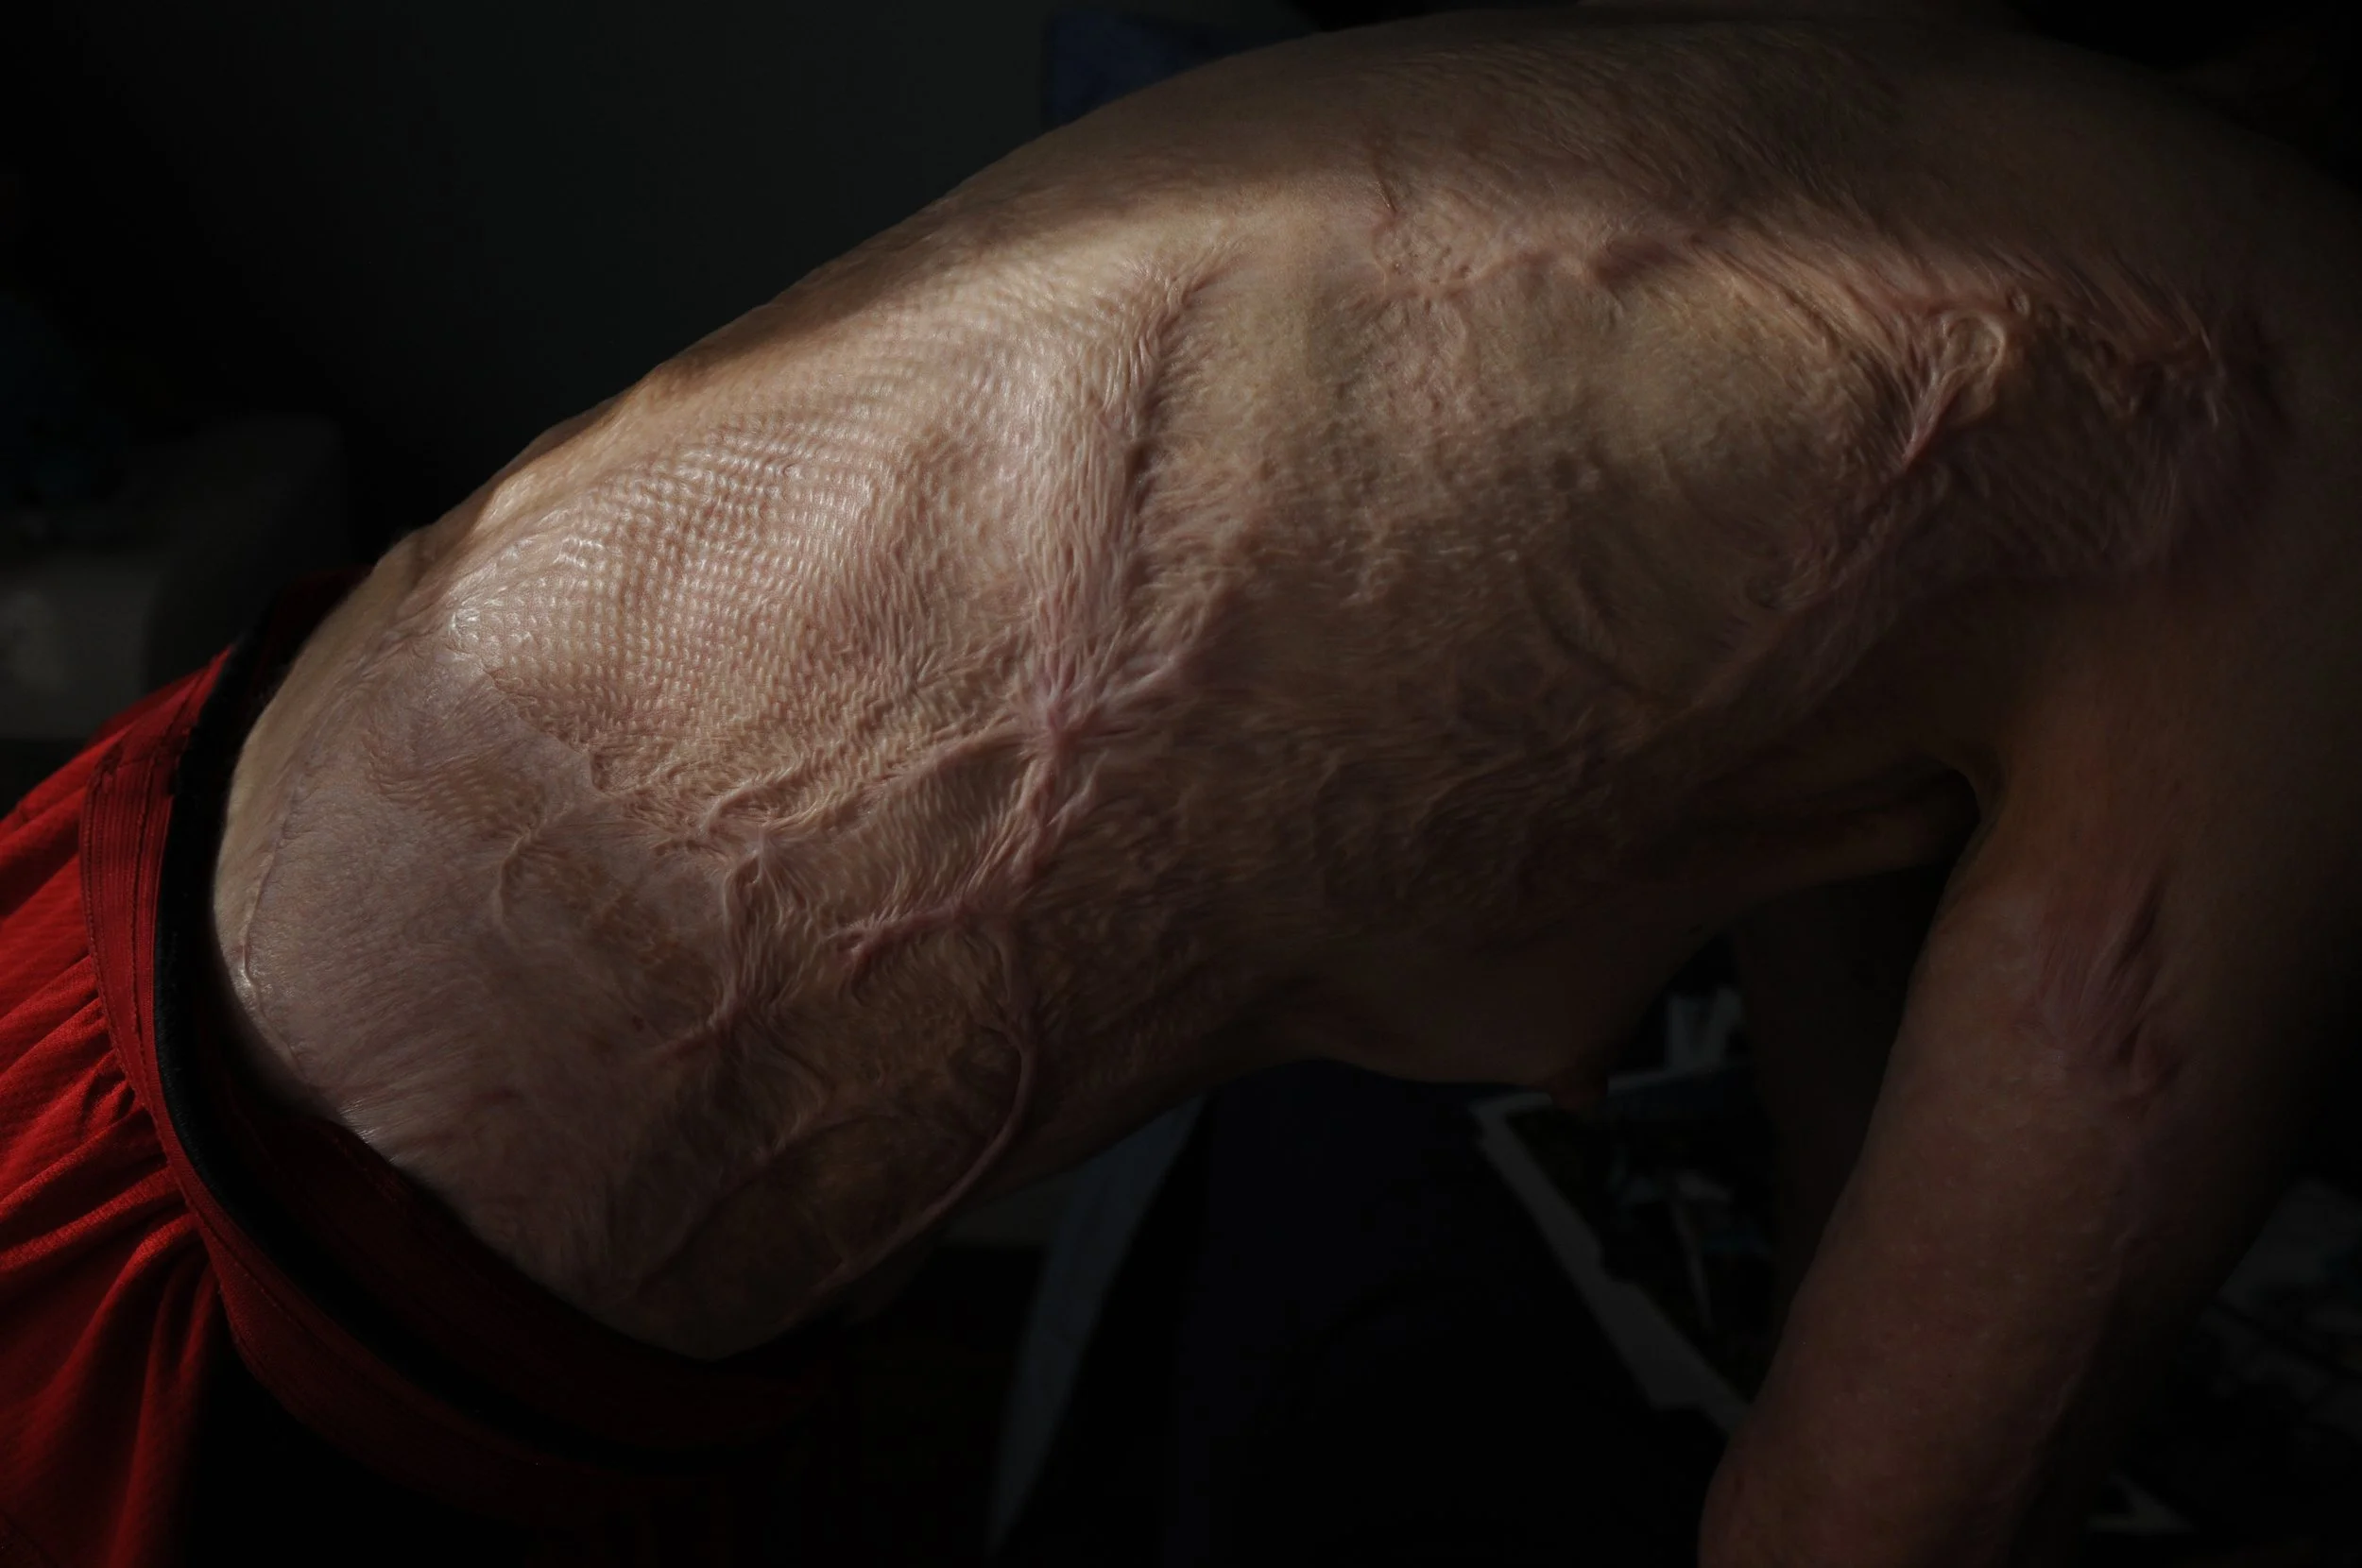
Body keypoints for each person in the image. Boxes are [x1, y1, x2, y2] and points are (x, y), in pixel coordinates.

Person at [6, 7, 2358, 1563]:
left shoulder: (1975, 140)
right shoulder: (2281, 450)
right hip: (288, 1261)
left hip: (209, 864)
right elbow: (1862, 1521)